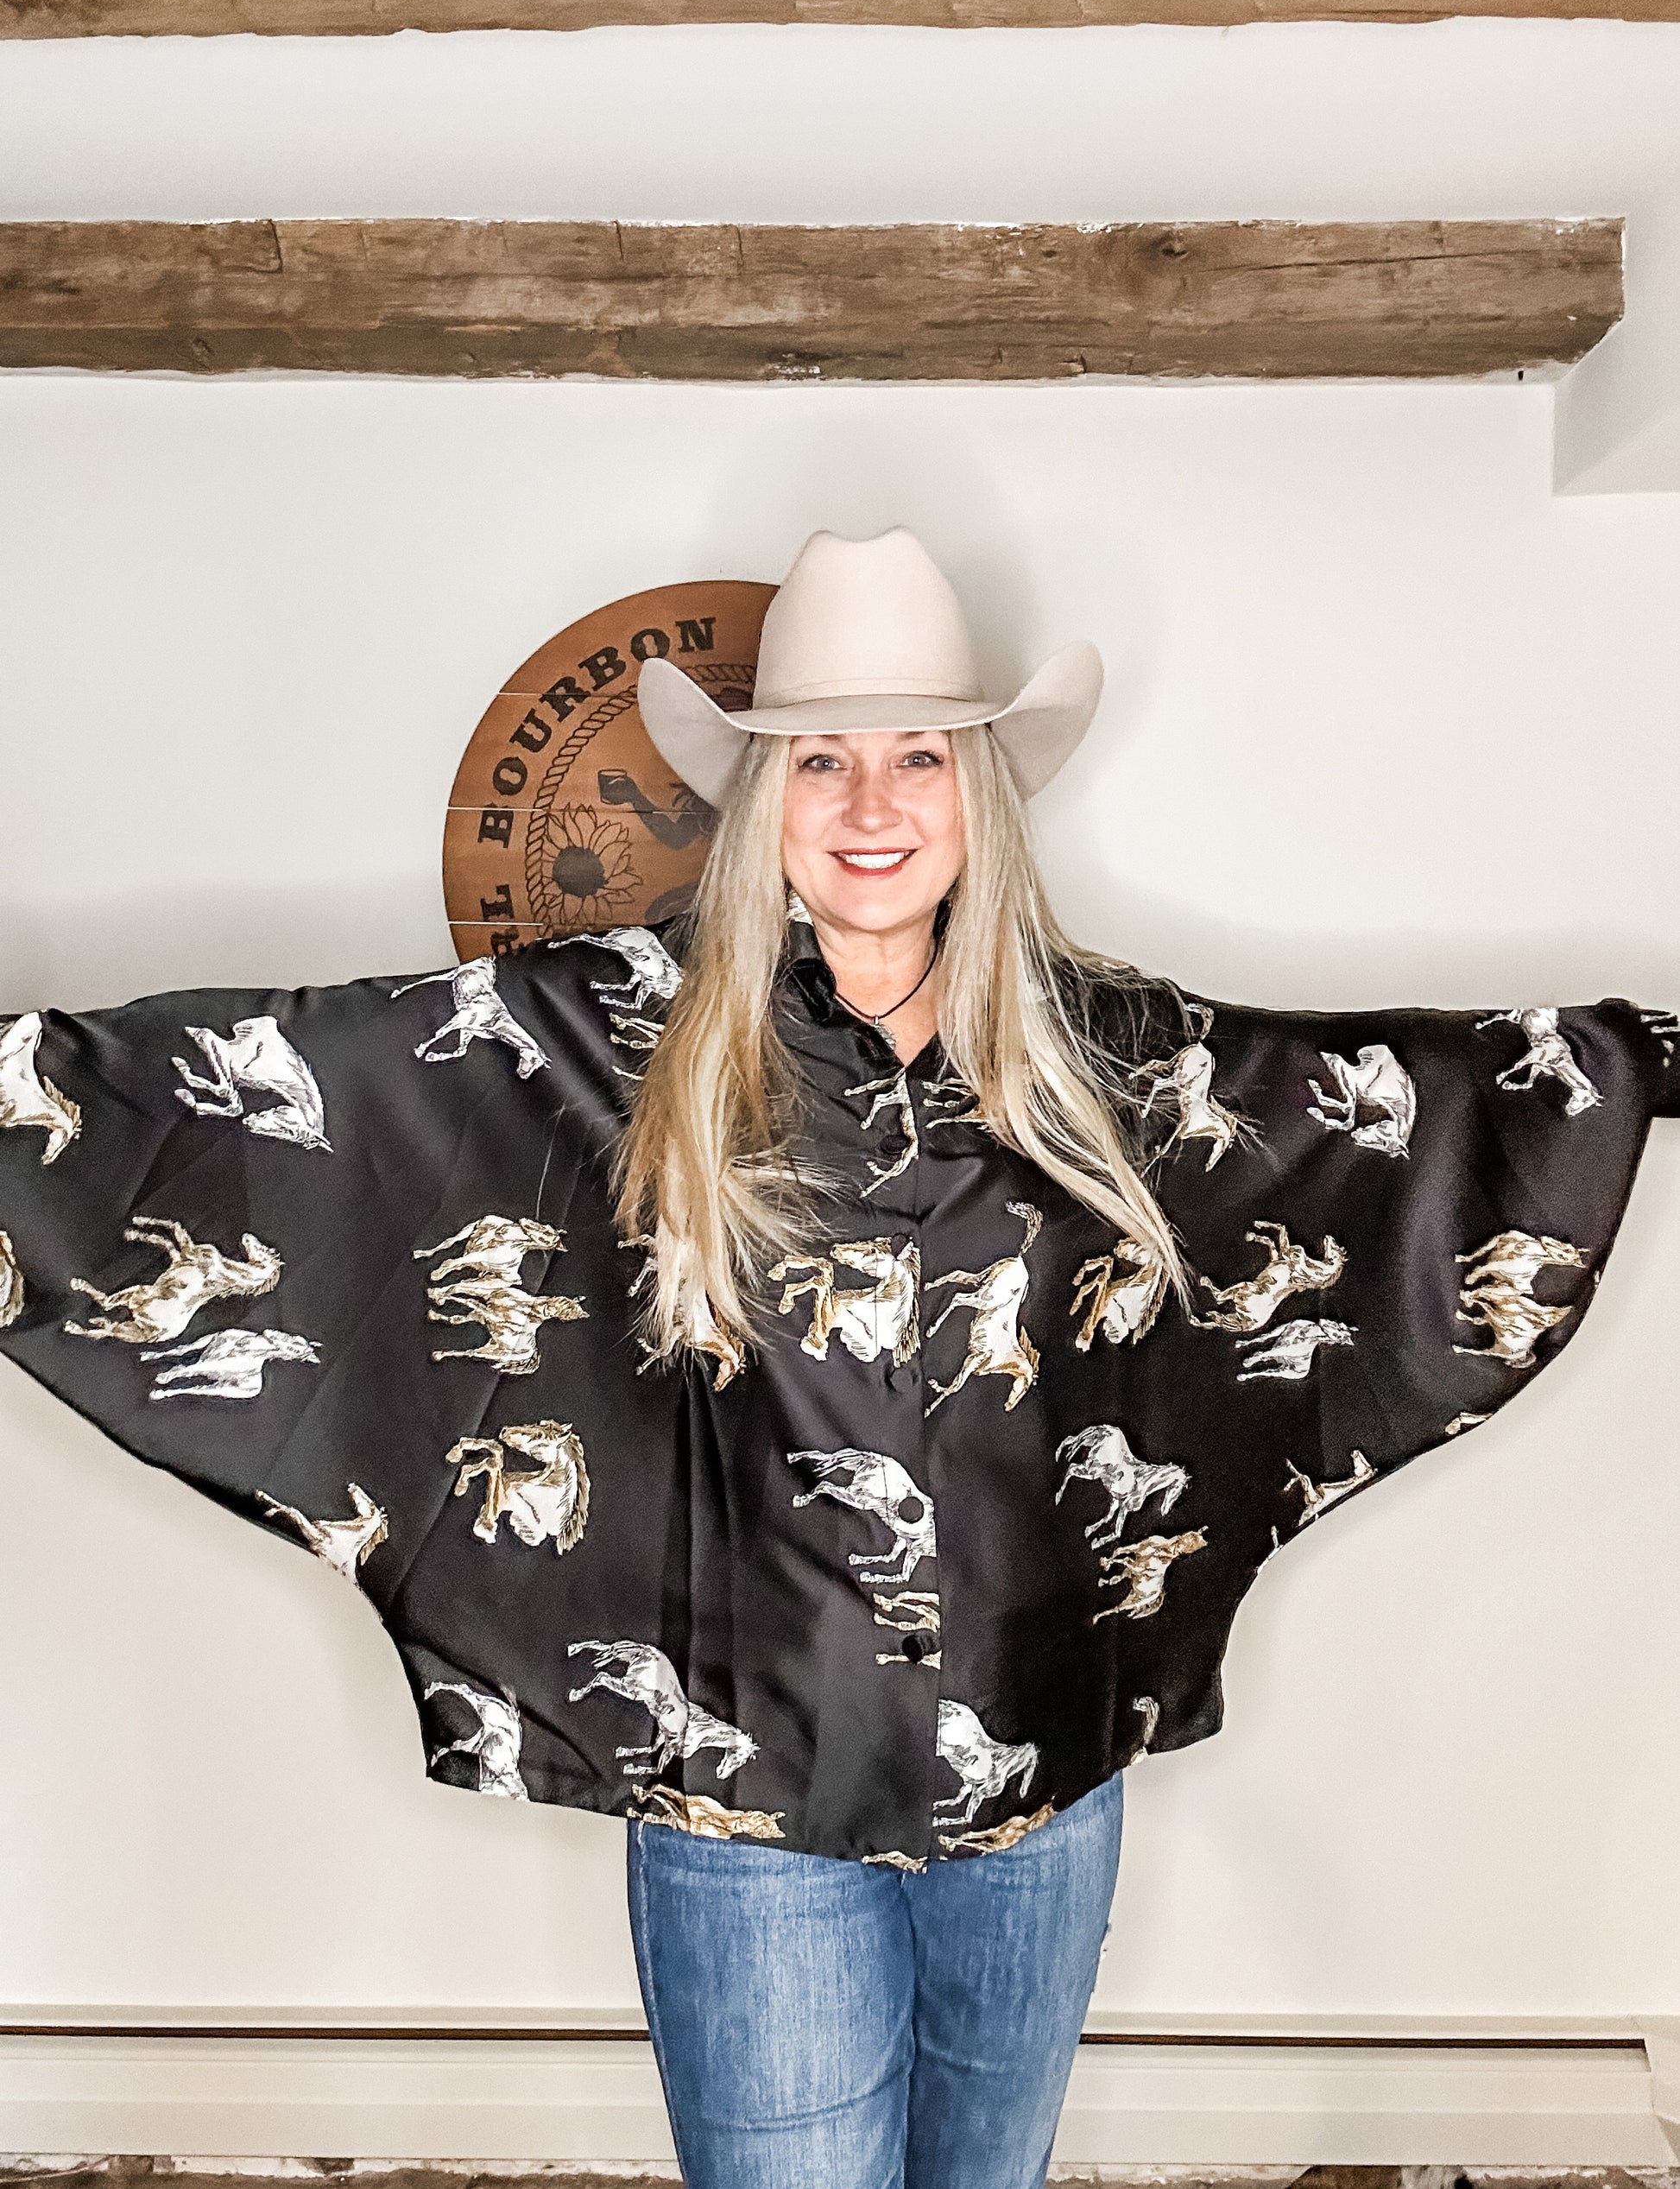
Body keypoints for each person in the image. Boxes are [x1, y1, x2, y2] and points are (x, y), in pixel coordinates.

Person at [0, 526, 1675, 2189]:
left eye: (918, 755)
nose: (872, 803)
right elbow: (280, 1096)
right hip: (750, 1806)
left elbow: (1381, 1109)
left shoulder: (1108, 1053)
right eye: (820, 759)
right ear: (761, 796)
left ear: (978, 790)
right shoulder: (602, 1038)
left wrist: (1629, 1062)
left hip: (1041, 1781)